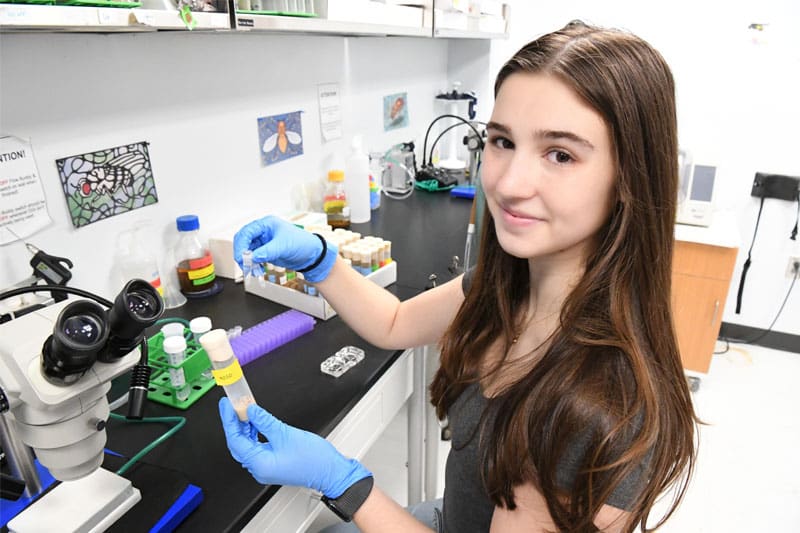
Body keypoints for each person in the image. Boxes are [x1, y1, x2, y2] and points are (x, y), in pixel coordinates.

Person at [221, 20, 697, 532]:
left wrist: (342, 482)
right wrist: (320, 260)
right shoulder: (507, 286)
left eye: (560, 154)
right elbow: (396, 322)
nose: (509, 184)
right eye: (502, 141)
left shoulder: (595, 406)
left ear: (630, 176)